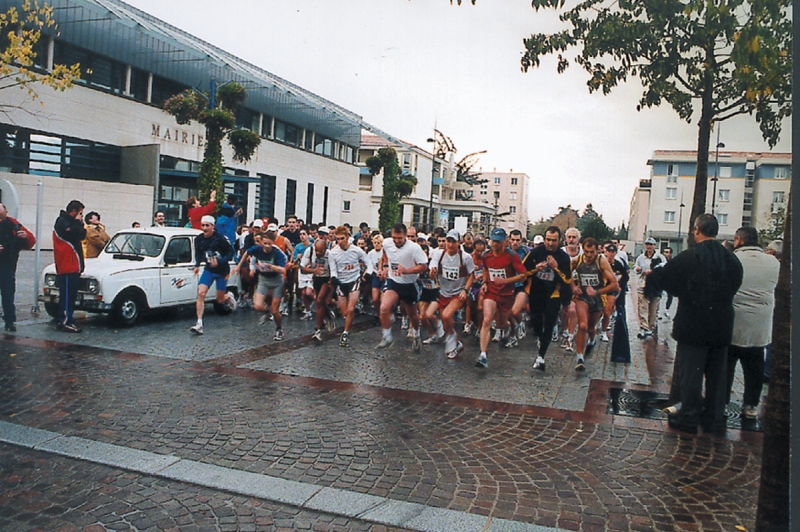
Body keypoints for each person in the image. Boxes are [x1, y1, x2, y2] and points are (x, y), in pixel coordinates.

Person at [652, 214, 743, 435]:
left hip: (693, 323)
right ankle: (714, 419)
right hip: (721, 323)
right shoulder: (731, 259)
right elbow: (736, 283)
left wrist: (683, 293)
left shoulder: (688, 257)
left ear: (696, 230)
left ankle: (689, 418)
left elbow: (666, 279)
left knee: (691, 374)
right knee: (717, 376)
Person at [725, 227, 779, 419]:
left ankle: (722, 402)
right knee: (755, 369)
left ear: (738, 240)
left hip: (733, 322)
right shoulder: (772, 262)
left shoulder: (731, 259)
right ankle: (751, 406)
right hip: (760, 326)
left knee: (727, 366)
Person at [475, 227, 528, 369]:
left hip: (506, 294)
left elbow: (523, 275)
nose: (495, 245)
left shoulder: (511, 256)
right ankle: (483, 355)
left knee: (501, 323)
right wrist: (485, 283)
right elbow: (485, 269)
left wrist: (505, 281)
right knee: (487, 320)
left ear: (504, 242)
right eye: (493, 241)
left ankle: (511, 327)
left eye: (498, 242)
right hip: (491, 292)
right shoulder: (486, 256)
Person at [524, 226, 572, 371]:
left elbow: (568, 279)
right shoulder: (536, 252)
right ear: (544, 239)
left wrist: (555, 268)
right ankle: (540, 337)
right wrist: (535, 269)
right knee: (536, 323)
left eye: (554, 240)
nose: (550, 243)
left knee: (550, 323)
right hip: (536, 292)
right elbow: (522, 270)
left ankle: (541, 357)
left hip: (554, 294)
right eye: (548, 240)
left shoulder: (564, 257)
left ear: (560, 241)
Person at [376, 223, 428, 351]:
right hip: (394, 281)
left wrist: (406, 270)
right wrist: (386, 267)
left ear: (405, 236)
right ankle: (387, 337)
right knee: (384, 307)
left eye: (399, 238)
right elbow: (385, 253)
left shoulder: (414, 248)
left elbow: (423, 266)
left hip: (410, 284)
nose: (397, 241)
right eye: (394, 237)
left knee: (412, 315)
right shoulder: (387, 243)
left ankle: (416, 335)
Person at [571, 237, 619, 372]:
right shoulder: (577, 260)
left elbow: (614, 285)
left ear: (597, 251)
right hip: (583, 296)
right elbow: (565, 274)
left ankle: (592, 340)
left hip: (598, 297)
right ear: (582, 249)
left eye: (592, 252)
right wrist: (573, 286)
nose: (589, 255)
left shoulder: (601, 261)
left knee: (591, 328)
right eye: (587, 252)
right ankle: (580, 357)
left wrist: (597, 291)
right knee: (583, 325)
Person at [429, 229, 475, 359]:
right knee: (445, 321)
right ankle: (457, 343)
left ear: (459, 242)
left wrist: (465, 290)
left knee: (446, 314)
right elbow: (432, 271)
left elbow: (472, 274)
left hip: (458, 293)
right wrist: (432, 273)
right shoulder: (439, 255)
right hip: (444, 293)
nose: (450, 244)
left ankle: (452, 342)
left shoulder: (465, 257)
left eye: (453, 242)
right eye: (448, 241)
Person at [190, 215, 235, 335]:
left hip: (222, 271)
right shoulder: (199, 239)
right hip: (209, 269)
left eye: (207, 226)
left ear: (213, 227)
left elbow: (230, 253)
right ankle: (199, 323)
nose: (205, 228)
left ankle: (228, 296)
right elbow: (199, 253)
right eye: (203, 225)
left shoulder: (220, 239)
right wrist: (197, 265)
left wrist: (219, 261)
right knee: (201, 293)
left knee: (220, 300)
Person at [329, 225, 372, 347]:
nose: (340, 241)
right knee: (344, 312)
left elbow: (369, 263)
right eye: (337, 239)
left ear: (348, 237)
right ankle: (348, 322)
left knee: (351, 309)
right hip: (341, 282)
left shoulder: (356, 250)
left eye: (342, 238)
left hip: (354, 280)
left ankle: (345, 332)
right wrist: (334, 278)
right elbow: (333, 269)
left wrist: (368, 273)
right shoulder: (333, 253)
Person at [240, 230, 287, 341]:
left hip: (276, 281)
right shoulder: (257, 249)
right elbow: (247, 253)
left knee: (275, 311)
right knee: (257, 306)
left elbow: (282, 269)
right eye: (265, 243)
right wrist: (239, 266)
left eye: (269, 244)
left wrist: (271, 266)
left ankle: (279, 329)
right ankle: (267, 311)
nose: (267, 246)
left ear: (273, 242)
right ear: (261, 242)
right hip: (263, 279)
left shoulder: (277, 252)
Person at [0, 203, 36, 332]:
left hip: (8, 264)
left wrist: (25, 237)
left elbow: (31, 240)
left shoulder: (13, 224)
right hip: (8, 264)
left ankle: (9, 321)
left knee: (8, 294)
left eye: (2, 217)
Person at [53, 200, 87, 332]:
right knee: (67, 295)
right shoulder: (62, 222)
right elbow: (73, 234)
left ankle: (67, 318)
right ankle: (65, 320)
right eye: (80, 213)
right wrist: (78, 223)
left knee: (70, 295)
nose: (81, 216)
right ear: (73, 211)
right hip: (67, 264)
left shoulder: (72, 223)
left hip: (73, 264)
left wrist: (79, 224)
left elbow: (82, 235)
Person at [302, 238, 334, 341]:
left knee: (320, 300)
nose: (318, 253)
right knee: (318, 302)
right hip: (316, 278)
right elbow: (302, 269)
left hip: (327, 279)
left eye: (320, 251)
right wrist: (313, 270)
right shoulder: (310, 251)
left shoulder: (330, 255)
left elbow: (334, 273)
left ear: (325, 249)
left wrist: (331, 291)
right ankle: (328, 316)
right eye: (316, 250)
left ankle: (319, 329)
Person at [634, 237, 665, 338]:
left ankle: (651, 327)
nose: (649, 247)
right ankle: (644, 327)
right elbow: (636, 267)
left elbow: (664, 268)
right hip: (643, 284)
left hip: (655, 285)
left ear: (654, 246)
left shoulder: (659, 257)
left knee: (653, 307)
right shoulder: (641, 257)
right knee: (643, 306)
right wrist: (638, 269)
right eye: (647, 244)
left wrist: (653, 272)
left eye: (651, 245)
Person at [661, 247, 674, 319]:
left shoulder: (672, 262)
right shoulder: (661, 260)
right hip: (661, 281)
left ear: (670, 254)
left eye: (667, 252)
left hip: (669, 281)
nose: (665, 254)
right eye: (664, 252)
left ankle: (667, 310)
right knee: (659, 296)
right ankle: (658, 311)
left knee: (670, 296)